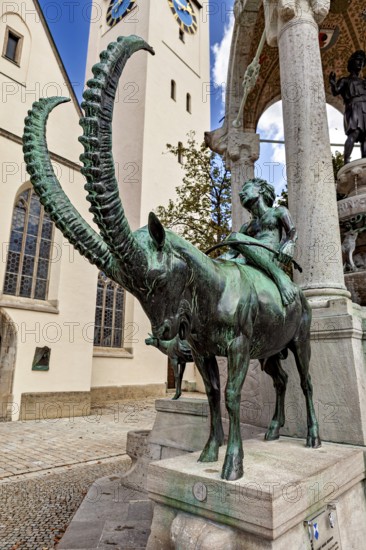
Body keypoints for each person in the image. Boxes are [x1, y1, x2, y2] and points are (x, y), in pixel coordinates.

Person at [221, 178, 297, 306]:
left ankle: (279, 275)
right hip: (251, 260)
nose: (240, 194)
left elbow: (292, 231)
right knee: (226, 266)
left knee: (234, 237)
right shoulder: (246, 226)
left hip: (271, 256)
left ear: (261, 189)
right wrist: (209, 261)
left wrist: (290, 244)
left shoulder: (278, 211)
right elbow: (230, 254)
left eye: (245, 189)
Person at [329, 50, 366, 164]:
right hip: (353, 107)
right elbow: (336, 91)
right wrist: (332, 83)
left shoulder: (364, 82)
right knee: (354, 133)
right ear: (352, 62)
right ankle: (346, 160)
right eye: (358, 60)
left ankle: (364, 159)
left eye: (362, 62)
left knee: (365, 137)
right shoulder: (345, 80)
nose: (360, 63)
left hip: (365, 107)